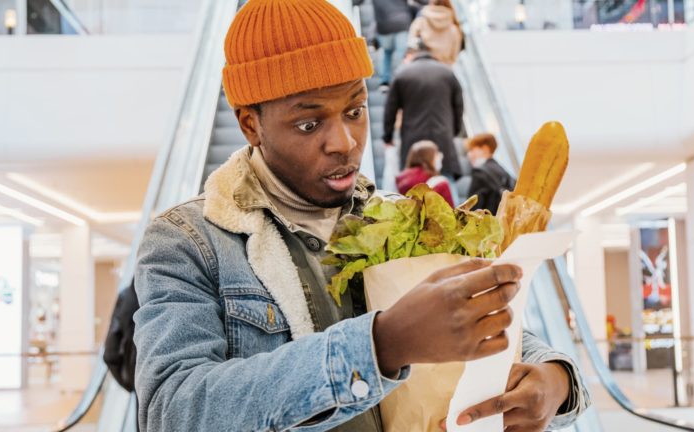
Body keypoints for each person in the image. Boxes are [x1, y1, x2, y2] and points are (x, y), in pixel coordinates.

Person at [133, 1, 590, 431]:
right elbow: (172, 409)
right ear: (250, 124)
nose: (345, 142)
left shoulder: (402, 216)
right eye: (309, 124)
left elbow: (478, 321)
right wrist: (381, 344)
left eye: (354, 110)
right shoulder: (188, 242)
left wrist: (555, 381)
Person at [383, 41, 464, 180]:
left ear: (411, 55)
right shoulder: (448, 73)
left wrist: (388, 136)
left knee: (415, 189)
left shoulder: (402, 74)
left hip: (412, 141)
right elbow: (458, 105)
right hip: (443, 139)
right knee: (445, 184)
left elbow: (390, 109)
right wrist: (455, 130)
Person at [466, 133, 516, 214]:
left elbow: (471, 208)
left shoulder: (479, 173)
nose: (469, 155)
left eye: (472, 150)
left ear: (485, 149)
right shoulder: (501, 169)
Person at [396, 140, 455, 206]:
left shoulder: (400, 179)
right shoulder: (440, 183)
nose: (440, 156)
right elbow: (450, 211)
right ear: (429, 158)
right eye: (437, 154)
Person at [372, 0, 412, 88]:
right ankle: (400, 79)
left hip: (384, 25)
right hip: (402, 22)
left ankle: (385, 82)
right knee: (401, 53)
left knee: (387, 52)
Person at [408, 0, 463, 65]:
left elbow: (410, 43)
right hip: (443, 68)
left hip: (421, 65)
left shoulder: (421, 22)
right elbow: (454, 56)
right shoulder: (454, 29)